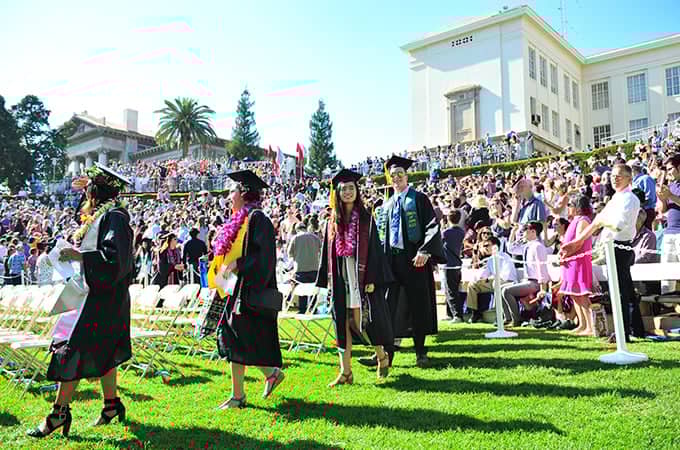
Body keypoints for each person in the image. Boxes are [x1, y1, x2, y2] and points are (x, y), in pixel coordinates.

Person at [28, 162, 134, 438]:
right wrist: (81, 254)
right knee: (105, 349)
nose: (85, 194)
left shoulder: (115, 217)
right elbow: (98, 244)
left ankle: (58, 413)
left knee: (71, 347)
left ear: (96, 192)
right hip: (96, 294)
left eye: (89, 189)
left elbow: (114, 260)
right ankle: (111, 404)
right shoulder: (104, 215)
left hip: (103, 298)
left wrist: (80, 257)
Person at [362, 155, 445, 368]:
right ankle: (386, 354)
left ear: (407, 176)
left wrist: (425, 250)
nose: (396, 178)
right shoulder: (386, 205)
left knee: (418, 305)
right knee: (388, 308)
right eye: (393, 175)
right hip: (392, 263)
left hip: (414, 260)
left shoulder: (419, 199)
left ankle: (420, 353)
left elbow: (432, 225)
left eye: (400, 174)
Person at [213, 170, 284, 409]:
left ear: (243, 192)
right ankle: (261, 379)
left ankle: (242, 393)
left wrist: (238, 264)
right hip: (236, 287)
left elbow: (263, 256)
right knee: (235, 339)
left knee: (239, 338)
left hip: (250, 289)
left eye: (231, 191)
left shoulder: (258, 219)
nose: (228, 196)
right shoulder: (241, 219)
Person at [316, 169, 394, 386]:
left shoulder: (366, 219)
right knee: (342, 321)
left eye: (351, 188)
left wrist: (372, 278)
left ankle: (381, 356)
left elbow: (376, 251)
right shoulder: (332, 221)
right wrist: (326, 279)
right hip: (341, 276)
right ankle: (346, 372)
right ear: (338, 193)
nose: (348, 192)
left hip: (360, 276)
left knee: (362, 322)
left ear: (357, 191)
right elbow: (326, 251)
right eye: (344, 189)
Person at [562, 163, 643, 342]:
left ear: (629, 178)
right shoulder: (615, 198)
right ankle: (635, 328)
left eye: (619, 175)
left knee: (621, 291)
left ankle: (624, 332)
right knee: (625, 290)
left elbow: (618, 224)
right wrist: (577, 242)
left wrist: (602, 221)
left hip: (620, 247)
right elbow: (596, 222)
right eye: (613, 175)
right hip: (611, 247)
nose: (615, 179)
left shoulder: (630, 198)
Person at [502, 221, 551, 327]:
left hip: (535, 282)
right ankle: (508, 318)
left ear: (533, 232)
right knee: (501, 288)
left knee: (506, 291)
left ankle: (516, 320)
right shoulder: (528, 246)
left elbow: (541, 267)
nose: (523, 232)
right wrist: (513, 232)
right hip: (527, 281)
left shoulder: (538, 246)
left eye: (525, 230)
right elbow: (511, 249)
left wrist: (543, 288)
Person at [558, 196, 594, 336]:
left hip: (579, 261)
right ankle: (582, 324)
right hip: (570, 261)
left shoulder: (583, 220)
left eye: (571, 205)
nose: (569, 208)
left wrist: (566, 254)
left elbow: (579, 242)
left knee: (582, 294)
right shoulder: (575, 220)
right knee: (574, 294)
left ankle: (591, 326)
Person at [466, 236, 518, 322]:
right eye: (484, 246)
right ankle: (475, 313)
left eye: (487, 245)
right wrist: (478, 278)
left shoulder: (504, 256)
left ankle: (501, 315)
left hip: (507, 282)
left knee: (495, 283)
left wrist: (494, 279)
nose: (485, 248)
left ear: (495, 246)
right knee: (473, 285)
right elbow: (485, 274)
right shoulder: (490, 259)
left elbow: (507, 275)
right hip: (495, 282)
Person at [656, 154, 680, 294]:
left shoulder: (671, 189)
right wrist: (662, 199)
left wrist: (670, 195)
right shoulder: (671, 186)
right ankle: (668, 307)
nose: (668, 172)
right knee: (666, 278)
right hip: (669, 233)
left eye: (670, 168)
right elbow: (663, 210)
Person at [287, 222, 322, 313]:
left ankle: (302, 309)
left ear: (297, 229)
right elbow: (320, 250)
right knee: (313, 290)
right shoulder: (315, 237)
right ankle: (313, 308)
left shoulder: (295, 238)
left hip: (300, 268)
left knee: (302, 291)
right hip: (314, 267)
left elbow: (289, 253)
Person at [442, 210, 465, 322]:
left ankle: (457, 315)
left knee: (451, 291)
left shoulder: (446, 233)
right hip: (457, 264)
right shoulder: (461, 232)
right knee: (453, 290)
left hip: (448, 265)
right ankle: (450, 313)